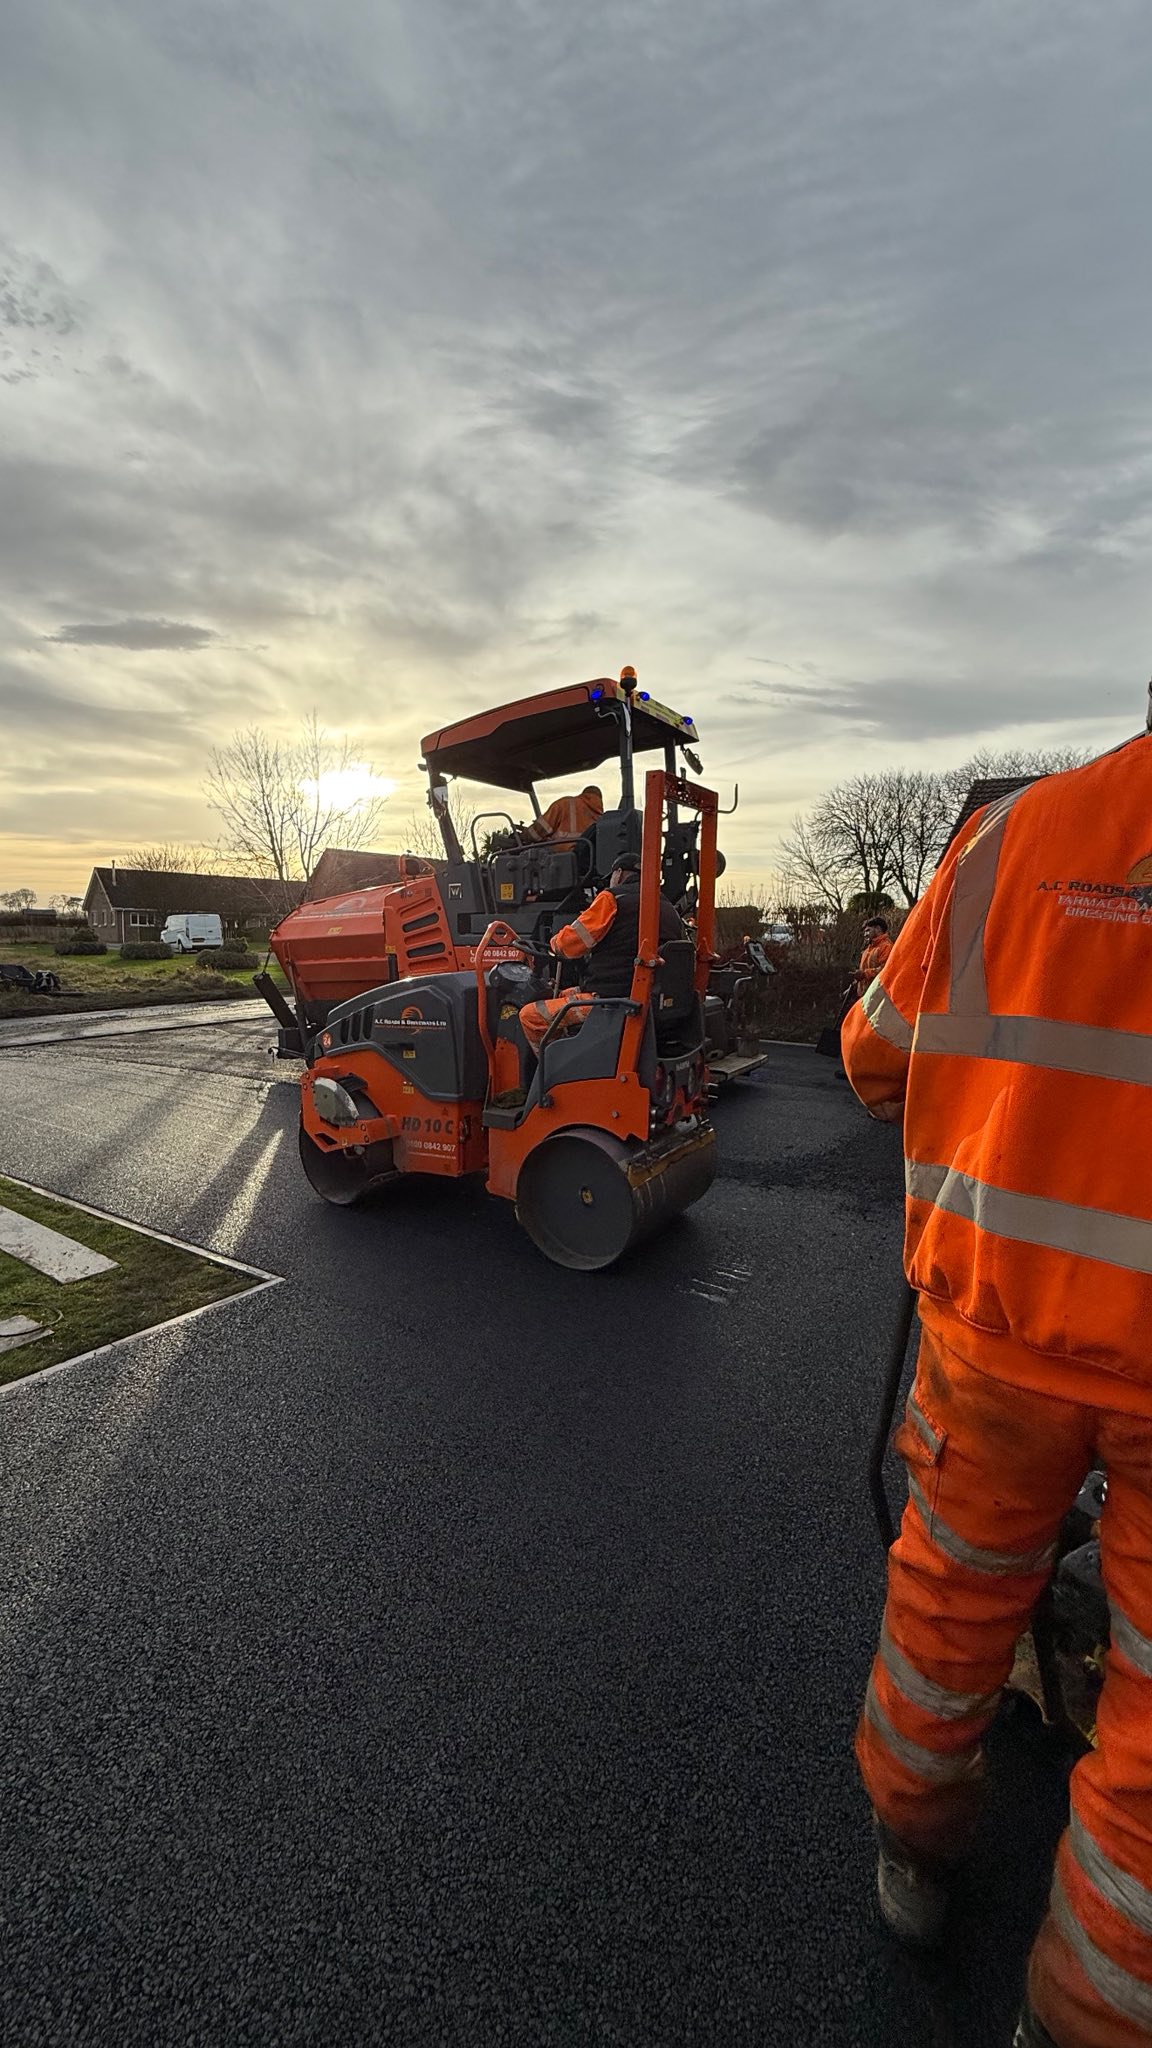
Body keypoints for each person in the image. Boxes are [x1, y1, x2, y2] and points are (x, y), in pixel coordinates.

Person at [842, 700, 1152, 2048]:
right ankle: (1086, 2013)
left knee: (950, 1597)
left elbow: (872, 1056)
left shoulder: (1013, 836)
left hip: (995, 1344)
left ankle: (917, 1858)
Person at [518, 852, 682, 1052]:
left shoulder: (612, 899)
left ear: (619, 873)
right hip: (642, 994)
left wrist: (554, 944)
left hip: (611, 999)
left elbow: (570, 945)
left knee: (531, 1016)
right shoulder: (665, 904)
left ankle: (556, 1069)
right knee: (559, 994)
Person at [523, 785, 604, 845]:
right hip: (586, 859)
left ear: (584, 794)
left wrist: (524, 836)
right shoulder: (602, 818)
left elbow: (540, 830)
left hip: (562, 852)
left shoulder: (565, 804)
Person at [854, 916, 893, 993]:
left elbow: (886, 970)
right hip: (865, 996)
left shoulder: (886, 947)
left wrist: (864, 974)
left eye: (868, 930)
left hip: (879, 994)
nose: (865, 934)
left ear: (878, 929)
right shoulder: (866, 951)